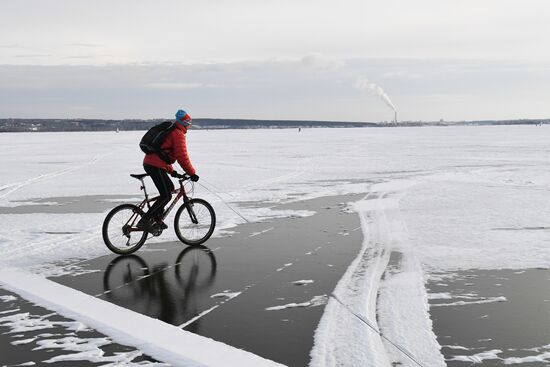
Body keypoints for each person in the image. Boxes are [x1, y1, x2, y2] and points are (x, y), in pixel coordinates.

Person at [138, 109, 199, 232]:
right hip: (154, 165)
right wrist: (192, 173)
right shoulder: (178, 134)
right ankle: (145, 221)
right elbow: (182, 156)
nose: (188, 126)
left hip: (152, 163)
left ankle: (157, 218)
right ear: (183, 123)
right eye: (188, 123)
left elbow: (162, 155)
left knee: (169, 189)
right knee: (166, 195)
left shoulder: (173, 131)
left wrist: (172, 171)